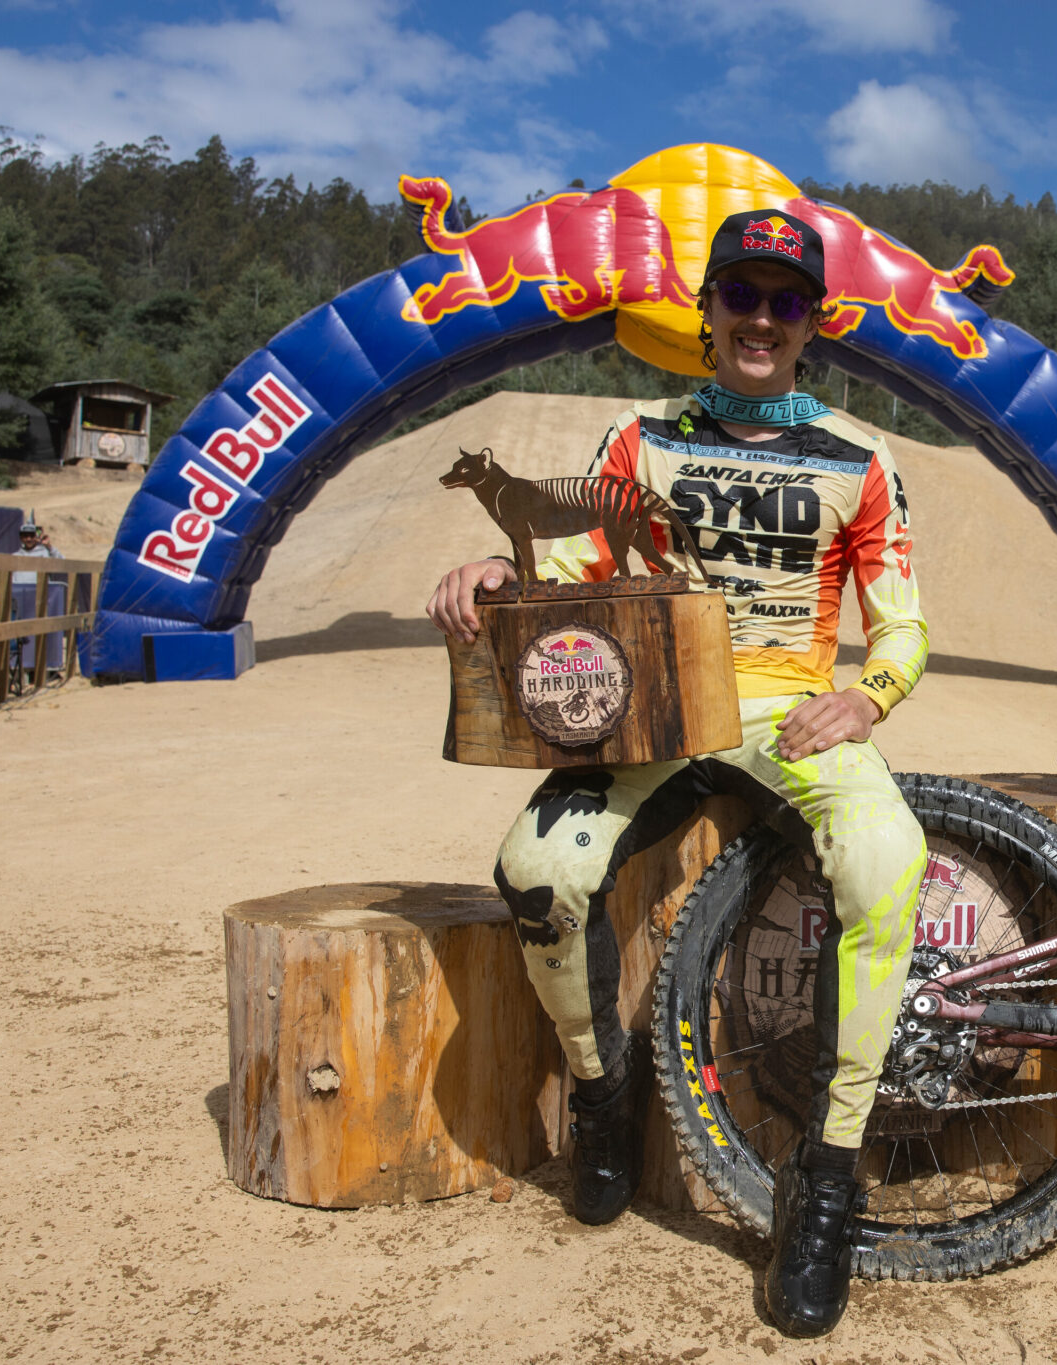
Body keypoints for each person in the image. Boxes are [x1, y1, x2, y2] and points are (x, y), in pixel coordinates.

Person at [426, 209, 928, 1338]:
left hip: (788, 708)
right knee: (534, 871)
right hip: (652, 709)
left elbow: (900, 624)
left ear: (817, 323)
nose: (761, 319)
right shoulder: (638, 438)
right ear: (704, 315)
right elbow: (570, 560)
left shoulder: (860, 460)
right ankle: (602, 1094)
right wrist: (490, 574)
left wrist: (869, 695)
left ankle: (826, 1179)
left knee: (888, 864)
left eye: (784, 302)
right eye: (740, 297)